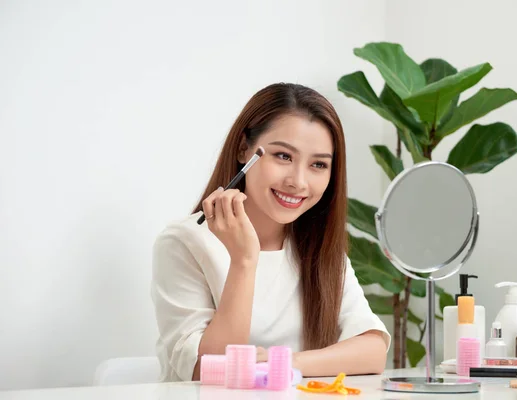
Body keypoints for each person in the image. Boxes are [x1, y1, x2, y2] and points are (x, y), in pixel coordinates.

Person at [150, 83, 390, 382]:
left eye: (318, 164)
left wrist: (281, 362)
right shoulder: (183, 242)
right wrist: (244, 260)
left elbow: (372, 350)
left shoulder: (318, 247)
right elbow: (208, 370)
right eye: (283, 156)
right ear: (243, 149)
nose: (298, 181)